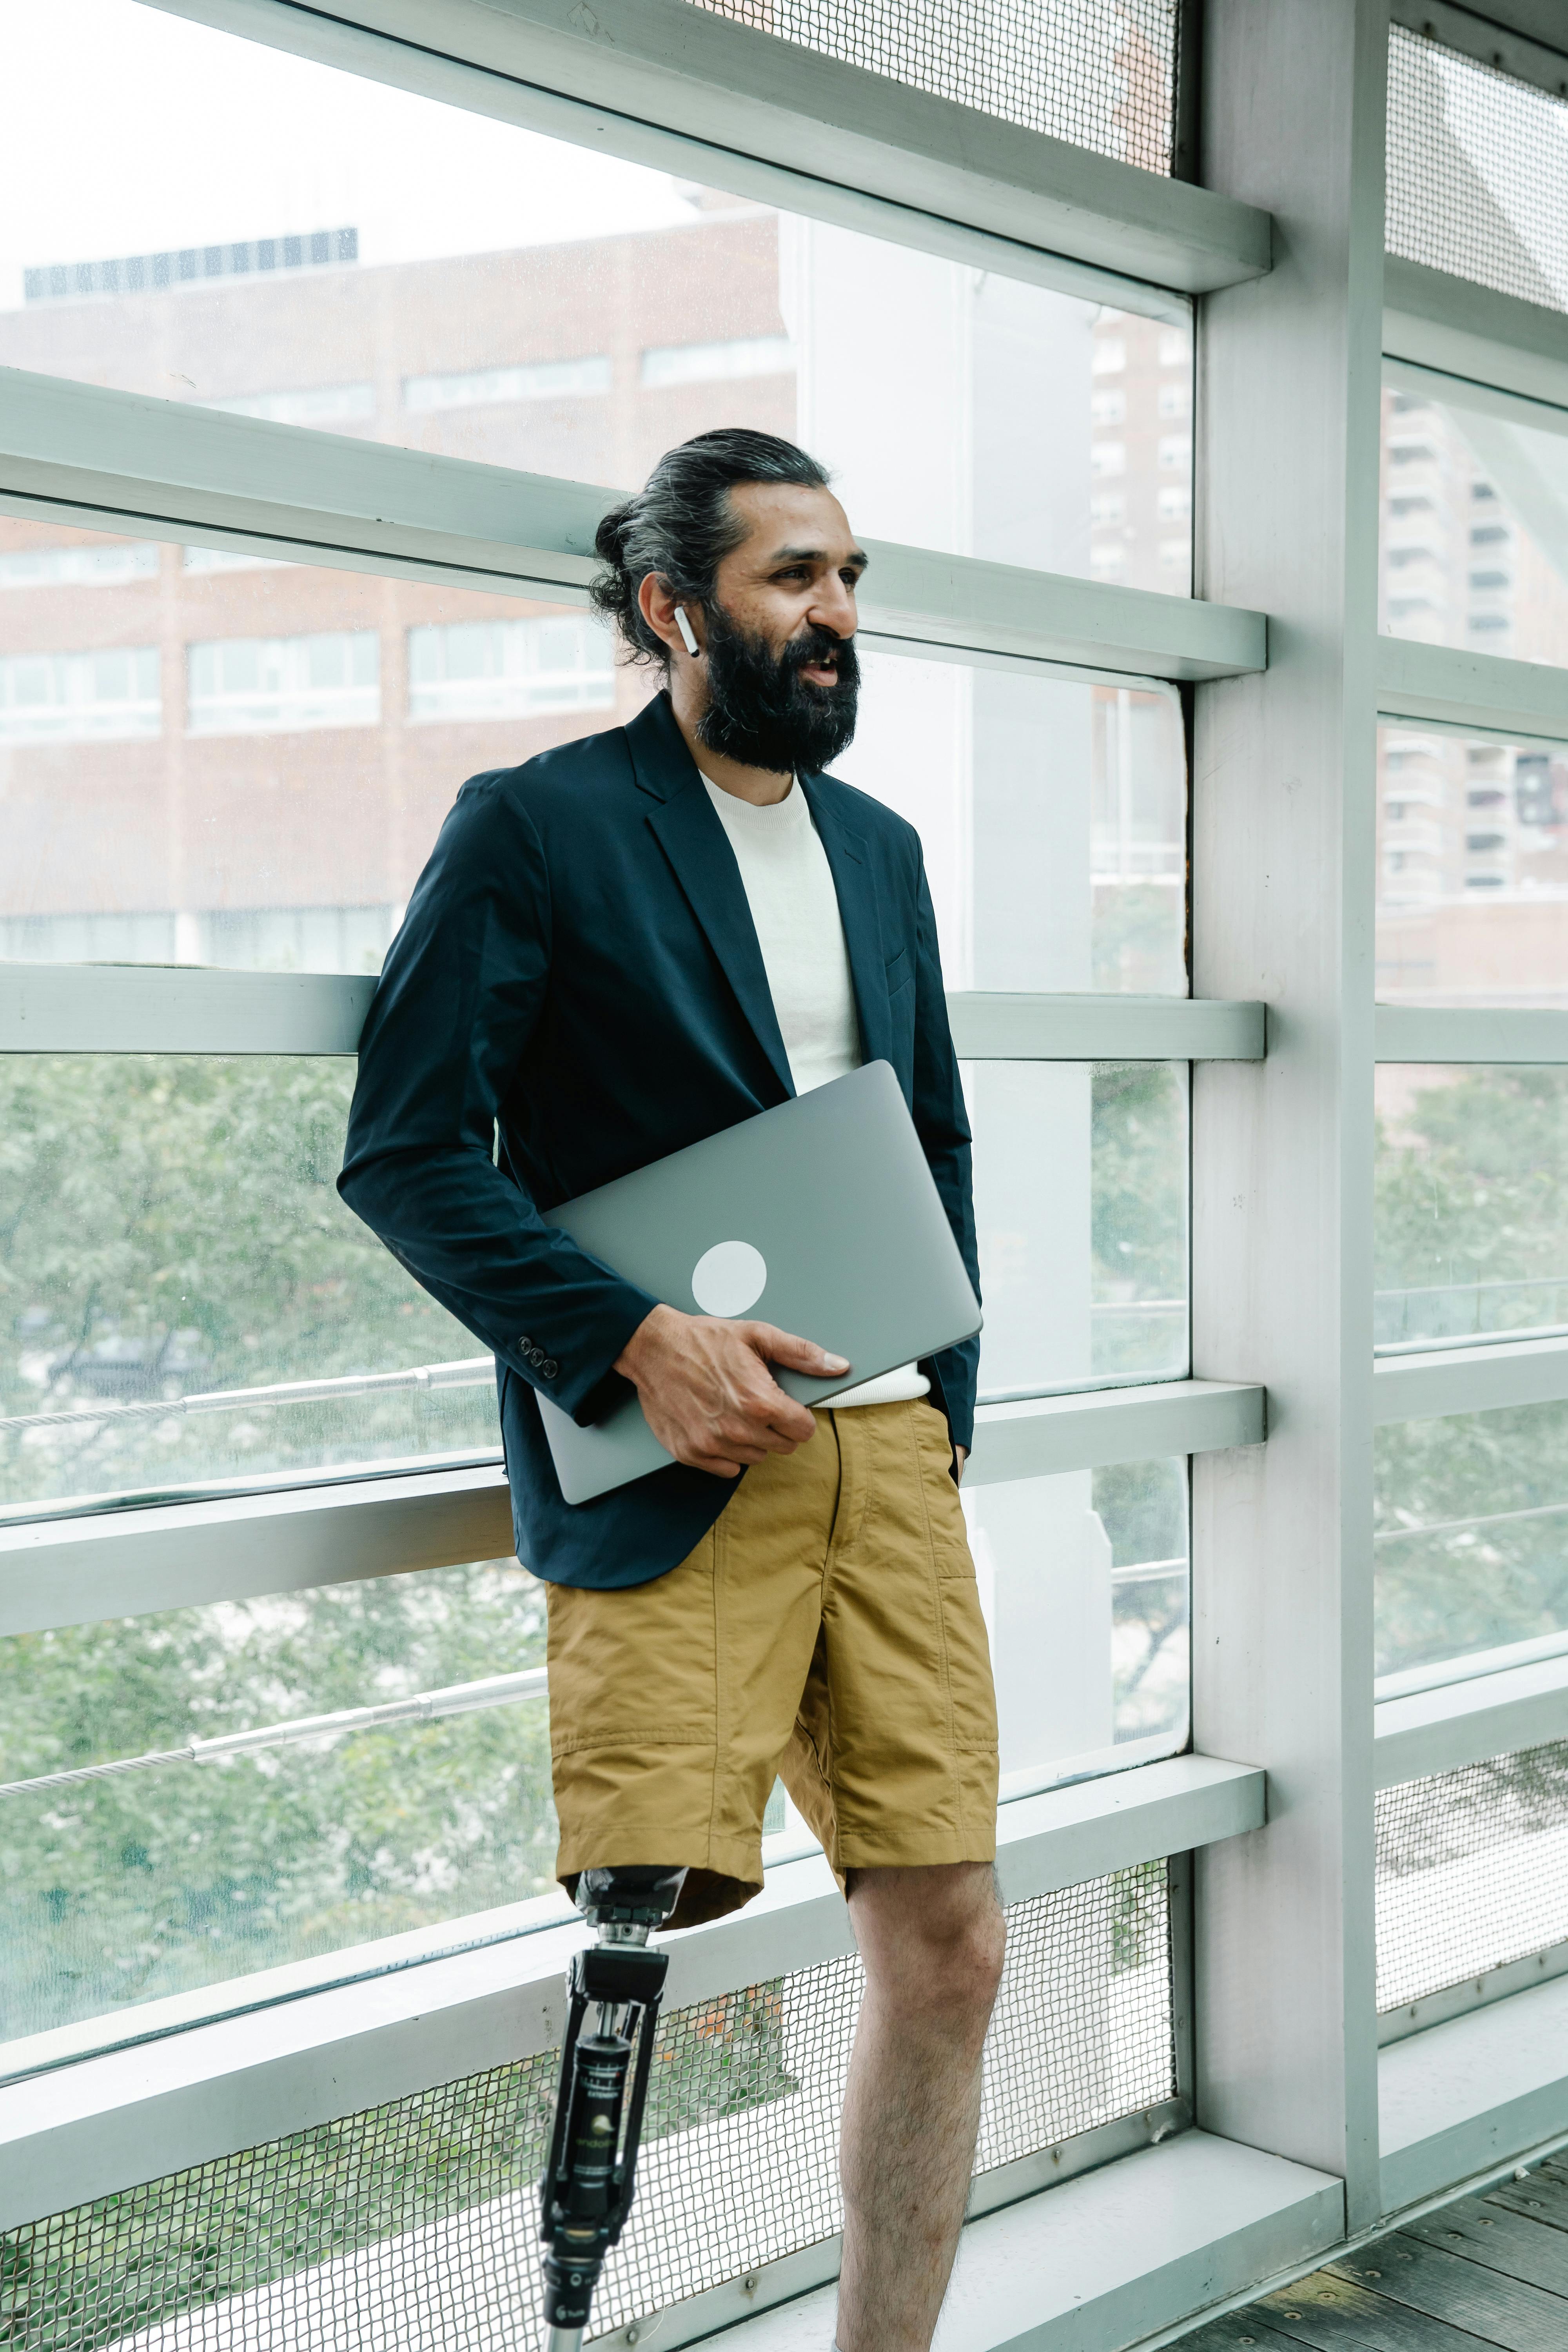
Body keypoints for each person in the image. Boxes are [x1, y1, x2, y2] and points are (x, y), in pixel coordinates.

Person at [339, 428, 1004, 2352]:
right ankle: (572, 2322)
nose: (836, 617)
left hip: (884, 1456)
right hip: (668, 1462)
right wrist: (631, 1336)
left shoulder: (878, 852)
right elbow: (407, 1151)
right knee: (639, 1959)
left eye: (851, 577)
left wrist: (945, 1396)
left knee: (948, 1954)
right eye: (795, 577)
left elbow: (931, 1131)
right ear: (668, 604)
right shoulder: (534, 824)